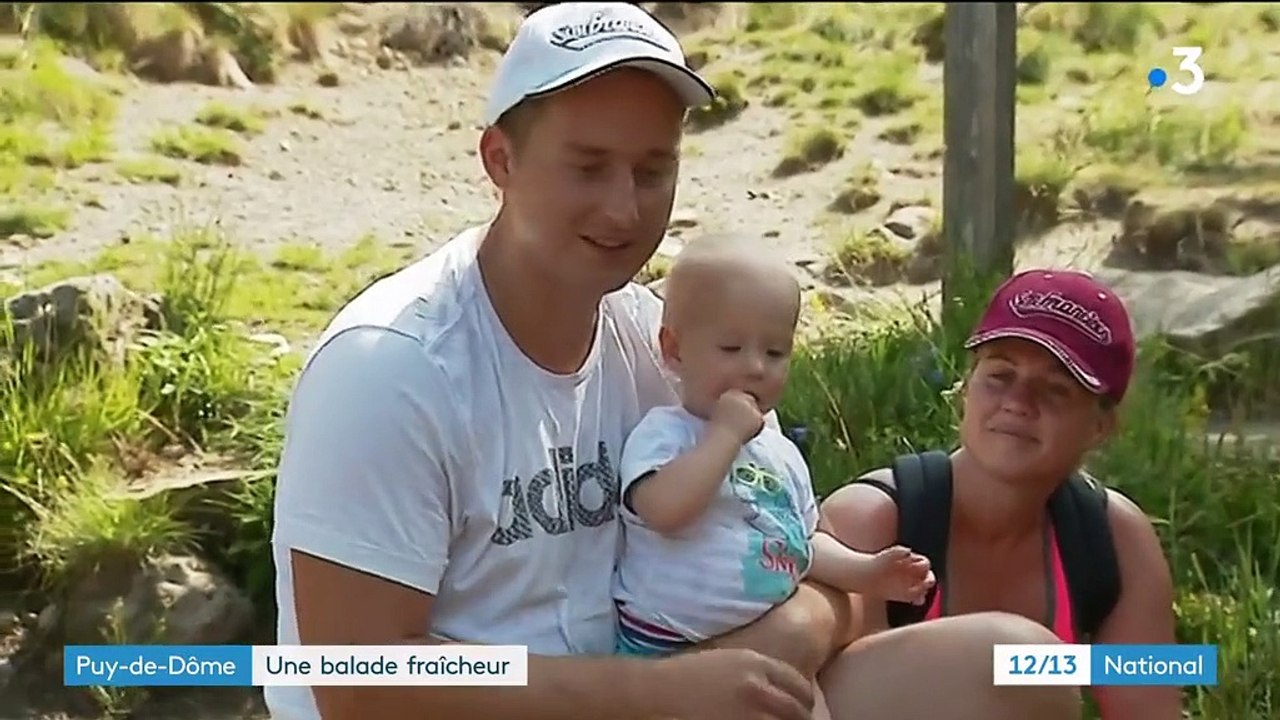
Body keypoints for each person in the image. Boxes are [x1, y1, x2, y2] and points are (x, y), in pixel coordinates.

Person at [267, 3, 1083, 719]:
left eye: (653, 171)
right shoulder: (390, 369)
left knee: (1020, 668)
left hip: (666, 690)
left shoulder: (663, 343)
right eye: (588, 167)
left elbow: (799, 563)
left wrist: (785, 635)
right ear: (500, 161)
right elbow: (357, 683)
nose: (625, 209)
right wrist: (663, 695)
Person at [820, 269, 1183, 720]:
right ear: (965, 390)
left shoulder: (1113, 535)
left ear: (1099, 427)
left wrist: (1065, 668)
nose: (1018, 401)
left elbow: (1154, 693)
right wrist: (1048, 666)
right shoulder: (872, 519)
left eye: (1056, 389)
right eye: (999, 374)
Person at [612, 239, 935, 718]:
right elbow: (663, 511)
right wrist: (723, 437)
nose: (755, 367)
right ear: (674, 349)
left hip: (775, 645)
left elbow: (798, 543)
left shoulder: (777, 452)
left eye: (776, 352)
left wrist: (867, 572)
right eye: (730, 347)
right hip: (668, 647)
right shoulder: (667, 434)